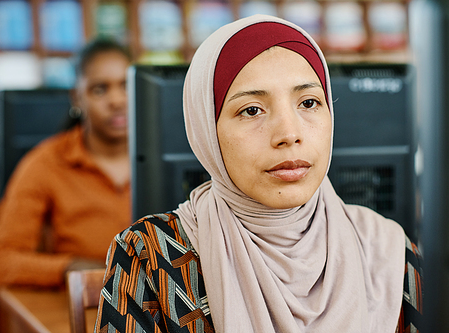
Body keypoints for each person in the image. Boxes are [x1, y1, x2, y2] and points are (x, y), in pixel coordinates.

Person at [94, 15, 422, 332]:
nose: (289, 133)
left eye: (308, 103)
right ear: (207, 130)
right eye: (252, 110)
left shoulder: (388, 249)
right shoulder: (150, 255)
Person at [0, 38, 132, 287]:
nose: (117, 101)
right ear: (77, 98)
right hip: (82, 308)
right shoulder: (46, 162)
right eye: (100, 89)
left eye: (126, 86)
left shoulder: (172, 156)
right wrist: (71, 268)